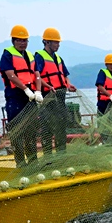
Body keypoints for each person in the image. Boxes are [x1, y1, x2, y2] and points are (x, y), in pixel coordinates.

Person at [0, 24, 42, 167]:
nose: (23, 43)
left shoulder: (30, 55)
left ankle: (33, 160)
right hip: (15, 95)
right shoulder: (8, 54)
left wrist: (38, 91)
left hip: (30, 97)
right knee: (17, 130)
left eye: (25, 40)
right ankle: (20, 162)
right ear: (13, 40)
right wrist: (25, 89)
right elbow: (10, 75)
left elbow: (37, 75)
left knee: (31, 129)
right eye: (19, 40)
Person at [34, 27, 76, 156]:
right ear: (47, 42)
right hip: (48, 96)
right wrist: (47, 86)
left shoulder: (58, 58)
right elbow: (37, 76)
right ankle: (48, 156)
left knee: (61, 126)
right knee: (47, 127)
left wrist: (68, 85)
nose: (58, 45)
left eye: (58, 43)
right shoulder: (39, 56)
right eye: (55, 42)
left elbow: (64, 75)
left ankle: (61, 154)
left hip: (60, 96)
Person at [95, 53, 112, 144]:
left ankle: (110, 143)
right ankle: (104, 142)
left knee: (111, 125)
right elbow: (100, 86)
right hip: (103, 104)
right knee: (103, 125)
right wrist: (109, 95)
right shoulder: (103, 73)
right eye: (110, 64)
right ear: (106, 64)